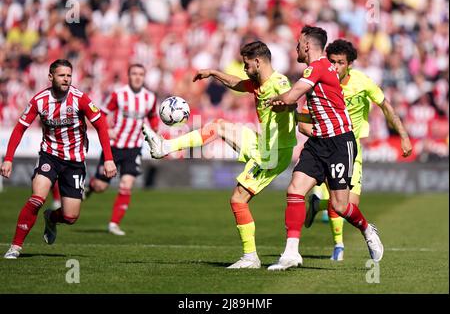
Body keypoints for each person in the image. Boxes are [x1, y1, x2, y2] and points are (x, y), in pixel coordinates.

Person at [143, 41, 297, 269]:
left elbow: (291, 100)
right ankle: (165, 147)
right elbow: (236, 83)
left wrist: (282, 105)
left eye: (246, 64)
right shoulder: (257, 83)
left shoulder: (279, 81)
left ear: (258, 61)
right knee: (218, 125)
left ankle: (250, 257)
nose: (243, 68)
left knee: (238, 199)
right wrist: (214, 73)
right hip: (262, 142)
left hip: (274, 151)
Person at [266, 26, 383, 271]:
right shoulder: (321, 68)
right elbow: (299, 103)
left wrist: (271, 99)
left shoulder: (318, 66)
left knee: (340, 206)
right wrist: (287, 105)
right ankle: (290, 253)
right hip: (318, 142)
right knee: (295, 190)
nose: (296, 48)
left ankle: (366, 228)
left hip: (340, 142)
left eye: (299, 43)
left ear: (307, 45)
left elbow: (290, 97)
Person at [301, 39, 412, 261]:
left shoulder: (362, 82)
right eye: (331, 61)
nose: (335, 67)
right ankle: (338, 246)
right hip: (325, 145)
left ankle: (317, 204)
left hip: (351, 147)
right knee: (323, 195)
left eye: (340, 63)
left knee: (348, 205)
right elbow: (303, 119)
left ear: (350, 64)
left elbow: (386, 107)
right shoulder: (319, 79)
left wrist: (404, 136)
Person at [1, 59, 117, 259]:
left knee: (70, 217)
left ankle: (51, 217)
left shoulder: (80, 98)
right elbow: (20, 128)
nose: (66, 79)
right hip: (50, 156)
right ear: (51, 77)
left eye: (69, 75)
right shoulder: (39, 100)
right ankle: (15, 247)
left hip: (74, 162)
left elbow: (101, 125)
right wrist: (8, 158)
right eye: (62, 75)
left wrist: (108, 158)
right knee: (37, 198)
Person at [83, 64, 159, 235]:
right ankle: (90, 187)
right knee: (101, 186)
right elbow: (101, 113)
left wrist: (154, 132)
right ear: (129, 75)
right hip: (114, 147)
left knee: (126, 184)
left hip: (134, 148)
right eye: (134, 73)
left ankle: (114, 224)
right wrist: (107, 130)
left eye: (141, 74)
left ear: (144, 76)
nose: (138, 77)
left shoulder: (150, 98)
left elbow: (153, 118)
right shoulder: (119, 94)